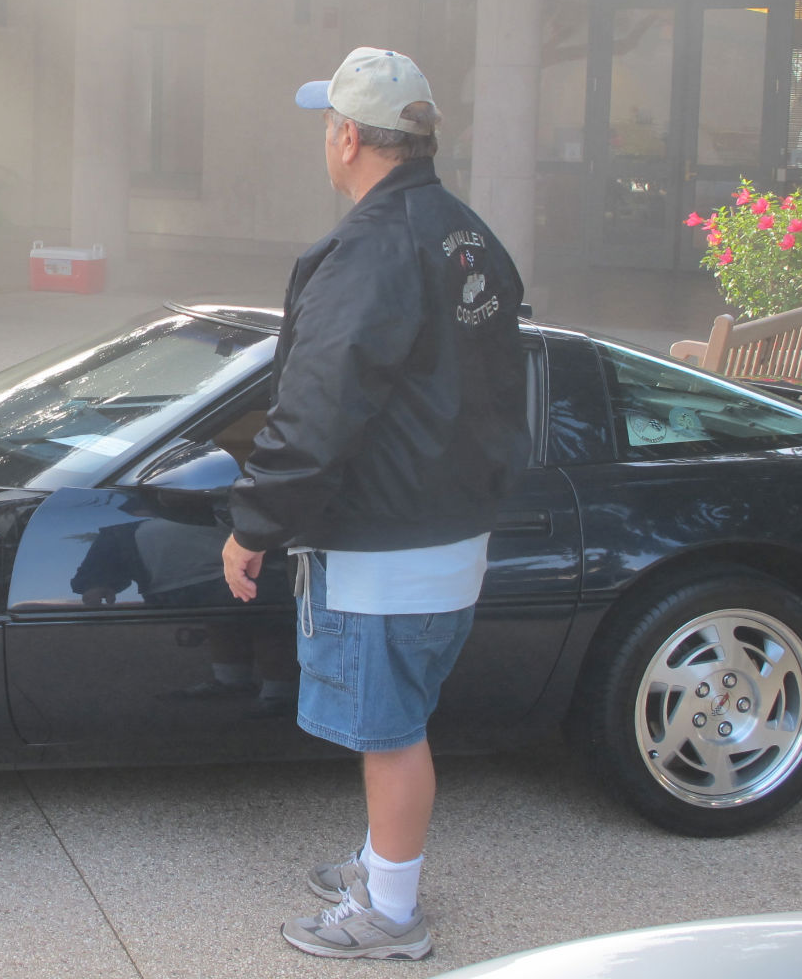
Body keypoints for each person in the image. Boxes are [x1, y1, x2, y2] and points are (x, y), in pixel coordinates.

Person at [220, 47, 530, 961]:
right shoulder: (463, 232)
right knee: (402, 715)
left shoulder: (370, 249)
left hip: (386, 547)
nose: (327, 137)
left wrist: (253, 525)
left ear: (349, 136)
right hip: (450, 529)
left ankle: (390, 914)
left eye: (328, 123)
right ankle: (375, 861)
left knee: (390, 733)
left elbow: (317, 410)